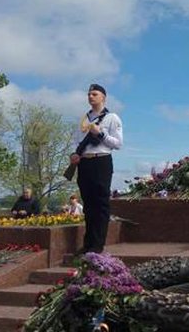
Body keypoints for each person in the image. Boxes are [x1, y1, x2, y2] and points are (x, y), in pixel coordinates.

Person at [70, 83, 123, 254]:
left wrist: (100, 133)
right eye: (89, 94)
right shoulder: (83, 119)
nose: (90, 97)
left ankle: (97, 245)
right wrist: (74, 154)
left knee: (101, 204)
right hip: (85, 162)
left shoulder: (112, 118)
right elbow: (76, 142)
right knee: (89, 205)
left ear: (103, 97)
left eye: (94, 94)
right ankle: (88, 244)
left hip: (101, 161)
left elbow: (118, 144)